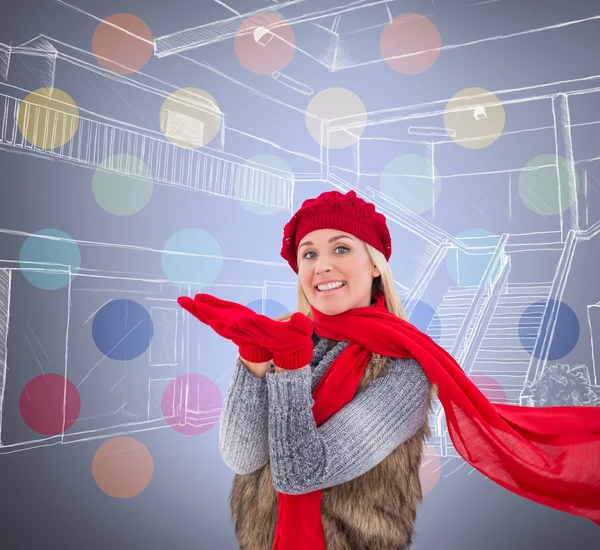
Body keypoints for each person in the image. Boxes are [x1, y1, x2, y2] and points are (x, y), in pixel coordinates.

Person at [179, 190, 600, 550]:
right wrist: (253, 356)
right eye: (309, 254)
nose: (321, 265)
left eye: (340, 248)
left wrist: (289, 366)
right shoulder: (289, 341)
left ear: (375, 264)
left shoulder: (403, 370)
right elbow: (242, 456)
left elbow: (300, 475)